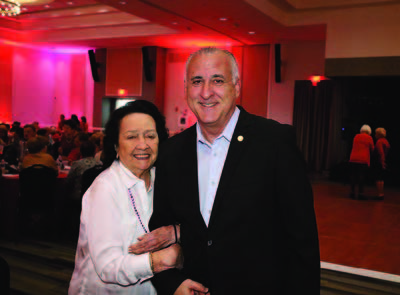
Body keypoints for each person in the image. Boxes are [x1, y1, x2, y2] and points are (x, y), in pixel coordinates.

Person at [136, 48, 320, 294]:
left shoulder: (274, 142)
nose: (206, 92)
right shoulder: (171, 152)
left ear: (237, 86)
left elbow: (302, 241)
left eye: (218, 81)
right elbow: (161, 229)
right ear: (186, 88)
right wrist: (172, 284)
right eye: (197, 81)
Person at [69, 100, 184, 295]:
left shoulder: (162, 179)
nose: (143, 145)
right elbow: (108, 267)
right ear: (115, 144)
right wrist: (164, 258)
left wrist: (178, 233)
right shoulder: (105, 189)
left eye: (150, 136)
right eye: (131, 137)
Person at [349, 124, 374, 199]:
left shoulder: (356, 136)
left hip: (353, 158)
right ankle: (360, 193)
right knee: (361, 176)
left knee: (353, 176)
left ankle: (352, 193)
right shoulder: (369, 137)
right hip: (363, 159)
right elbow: (372, 148)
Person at [373, 127, 390, 200]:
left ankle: (380, 194)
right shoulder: (386, 141)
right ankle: (381, 193)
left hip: (379, 161)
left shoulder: (379, 141)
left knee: (378, 178)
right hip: (384, 160)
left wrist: (382, 163)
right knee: (381, 178)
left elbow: (381, 153)